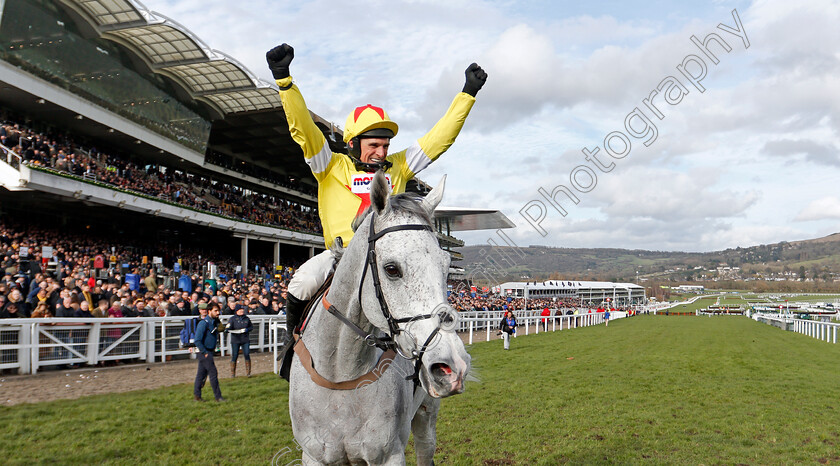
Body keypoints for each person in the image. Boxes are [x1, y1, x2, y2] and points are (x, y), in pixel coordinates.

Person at [265, 43, 487, 369]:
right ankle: (291, 346)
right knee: (300, 282)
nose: (381, 152)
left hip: (385, 260)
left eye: (385, 145)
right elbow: (303, 129)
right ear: (353, 143)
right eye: (374, 145)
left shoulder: (398, 166)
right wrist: (284, 80)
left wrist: (467, 94)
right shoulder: (329, 165)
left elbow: (440, 138)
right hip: (340, 259)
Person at [193, 302, 224, 402]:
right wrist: (204, 351)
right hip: (205, 351)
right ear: (209, 311)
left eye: (218, 311)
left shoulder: (214, 322)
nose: (218, 313)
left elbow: (221, 330)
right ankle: (218, 397)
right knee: (213, 373)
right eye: (215, 311)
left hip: (209, 350)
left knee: (201, 374)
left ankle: (197, 396)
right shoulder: (203, 323)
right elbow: (197, 340)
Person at [226, 304, 253, 377]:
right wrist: (227, 330)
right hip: (235, 339)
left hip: (245, 339)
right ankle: (233, 373)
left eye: (242, 310)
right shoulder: (232, 319)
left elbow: (251, 327)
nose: (242, 311)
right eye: (240, 310)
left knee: (247, 354)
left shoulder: (246, 318)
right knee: (235, 355)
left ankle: (248, 372)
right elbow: (228, 327)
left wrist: (247, 329)